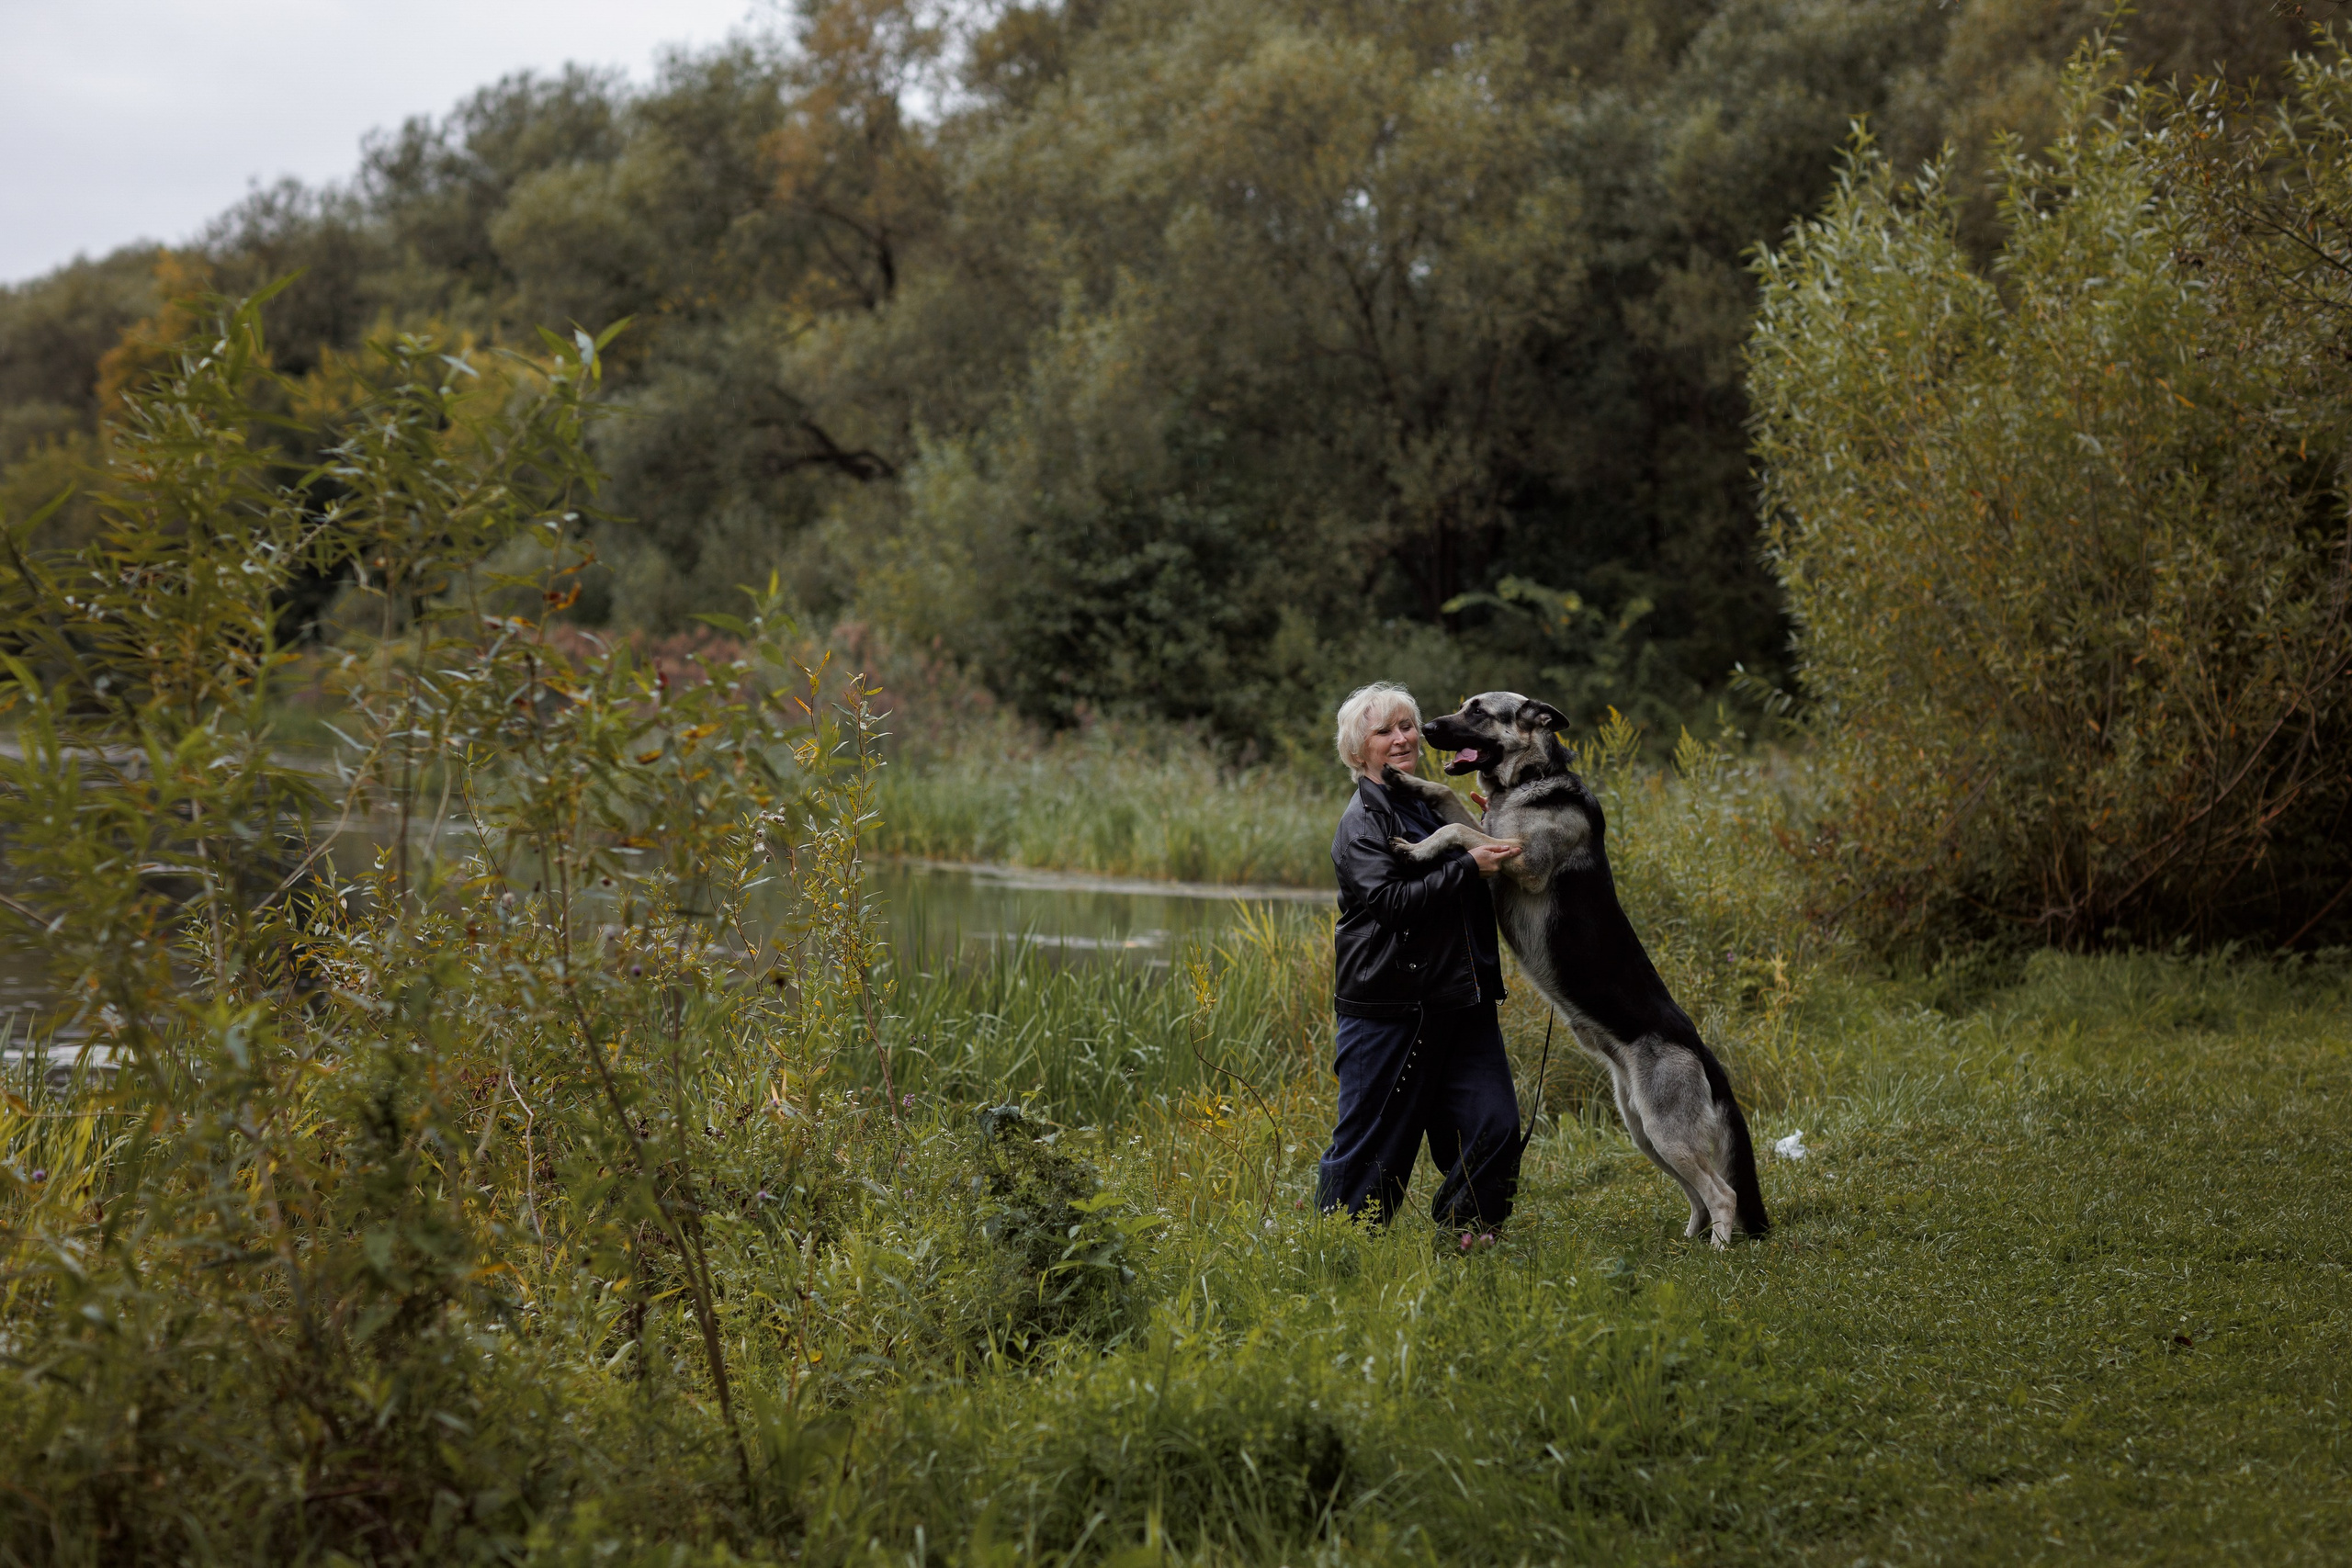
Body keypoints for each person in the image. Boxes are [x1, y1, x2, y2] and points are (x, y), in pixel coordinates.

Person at [1317, 681, 1523, 1232]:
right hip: (1389, 1009)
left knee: (1494, 1128)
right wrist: (1465, 867)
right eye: (1383, 731)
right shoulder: (1364, 821)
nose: (1402, 738)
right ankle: (1334, 1250)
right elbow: (1390, 904)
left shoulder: (1427, 803)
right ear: (1358, 751)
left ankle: (1468, 1237)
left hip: (1462, 1001)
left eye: (1406, 726)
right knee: (1370, 1155)